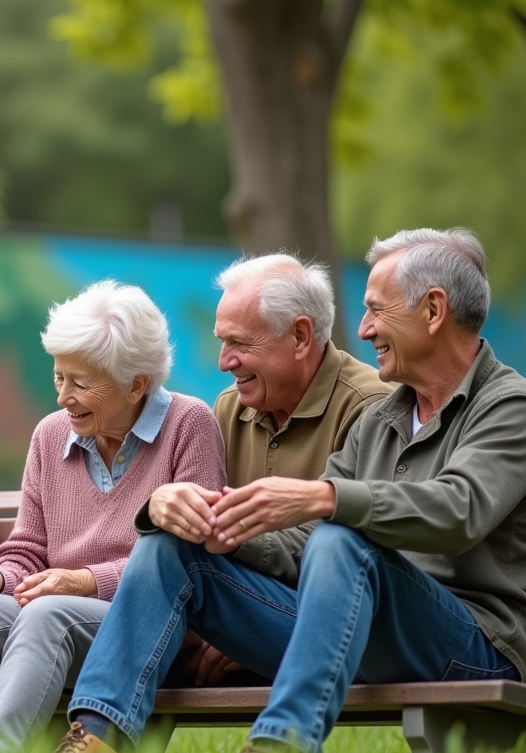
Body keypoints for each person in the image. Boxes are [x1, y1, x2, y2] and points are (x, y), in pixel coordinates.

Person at [47, 228, 526, 753]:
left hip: (470, 650)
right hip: (346, 633)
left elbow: (459, 511)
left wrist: (322, 498)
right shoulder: (382, 420)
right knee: (171, 547)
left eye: (376, 310)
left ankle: (280, 751)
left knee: (341, 536)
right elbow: (300, 539)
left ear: (434, 311)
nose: (363, 330)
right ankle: (95, 742)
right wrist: (201, 520)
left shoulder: (512, 407)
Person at [0, 280, 227, 753]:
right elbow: (27, 548)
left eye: (81, 382)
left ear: (136, 383)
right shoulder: (50, 435)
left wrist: (85, 582)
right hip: (59, 616)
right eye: (59, 377)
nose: (64, 396)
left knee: (50, 614)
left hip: (146, 626)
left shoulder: (190, 425)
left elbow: (188, 560)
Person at [143, 255, 390, 686]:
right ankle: (98, 738)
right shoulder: (228, 408)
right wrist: (163, 504)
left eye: (238, 343)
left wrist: (241, 630)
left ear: (299, 336)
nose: (224, 362)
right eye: (221, 342)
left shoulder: (370, 407)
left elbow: (361, 556)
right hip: (244, 619)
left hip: (339, 633)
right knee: (162, 551)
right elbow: (201, 541)